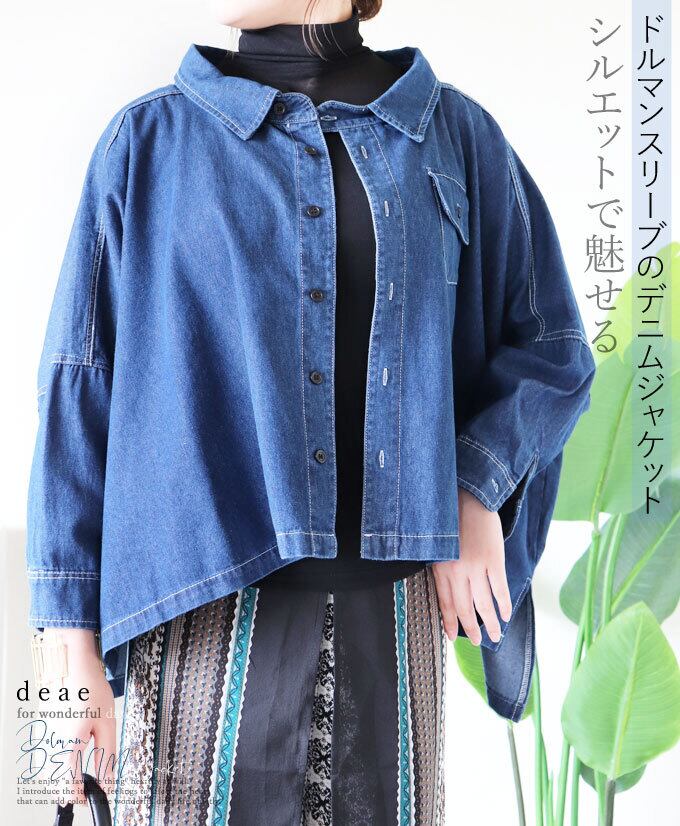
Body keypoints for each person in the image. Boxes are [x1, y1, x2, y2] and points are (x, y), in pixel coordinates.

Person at [25, 1, 596, 823]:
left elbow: (552, 346)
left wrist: (475, 485)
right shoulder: (148, 143)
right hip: (199, 623)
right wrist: (68, 645)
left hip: (391, 626)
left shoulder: (452, 134)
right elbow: (79, 390)